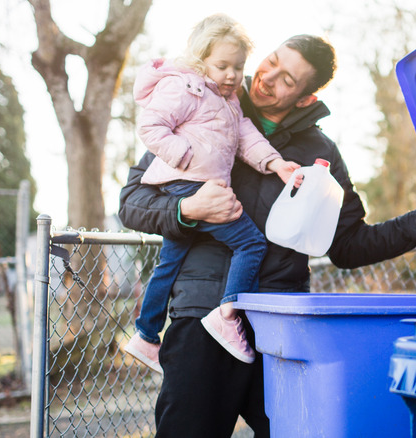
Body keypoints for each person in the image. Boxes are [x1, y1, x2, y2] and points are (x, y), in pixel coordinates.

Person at [118, 33, 416, 438]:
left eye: (287, 80)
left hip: (279, 328)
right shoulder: (202, 105)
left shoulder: (320, 152)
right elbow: (132, 201)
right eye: (271, 61)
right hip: (201, 319)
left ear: (305, 99)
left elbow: (347, 245)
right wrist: (186, 209)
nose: (266, 78)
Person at [122, 14, 303, 374]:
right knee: (251, 244)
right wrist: (184, 157)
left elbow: (246, 138)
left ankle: (145, 335)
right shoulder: (186, 87)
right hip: (188, 184)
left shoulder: (229, 100)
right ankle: (228, 314)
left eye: (238, 66)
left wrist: (275, 163)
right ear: (201, 59)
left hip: (196, 184)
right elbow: (149, 125)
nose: (232, 75)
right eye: (222, 66)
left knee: (168, 264)